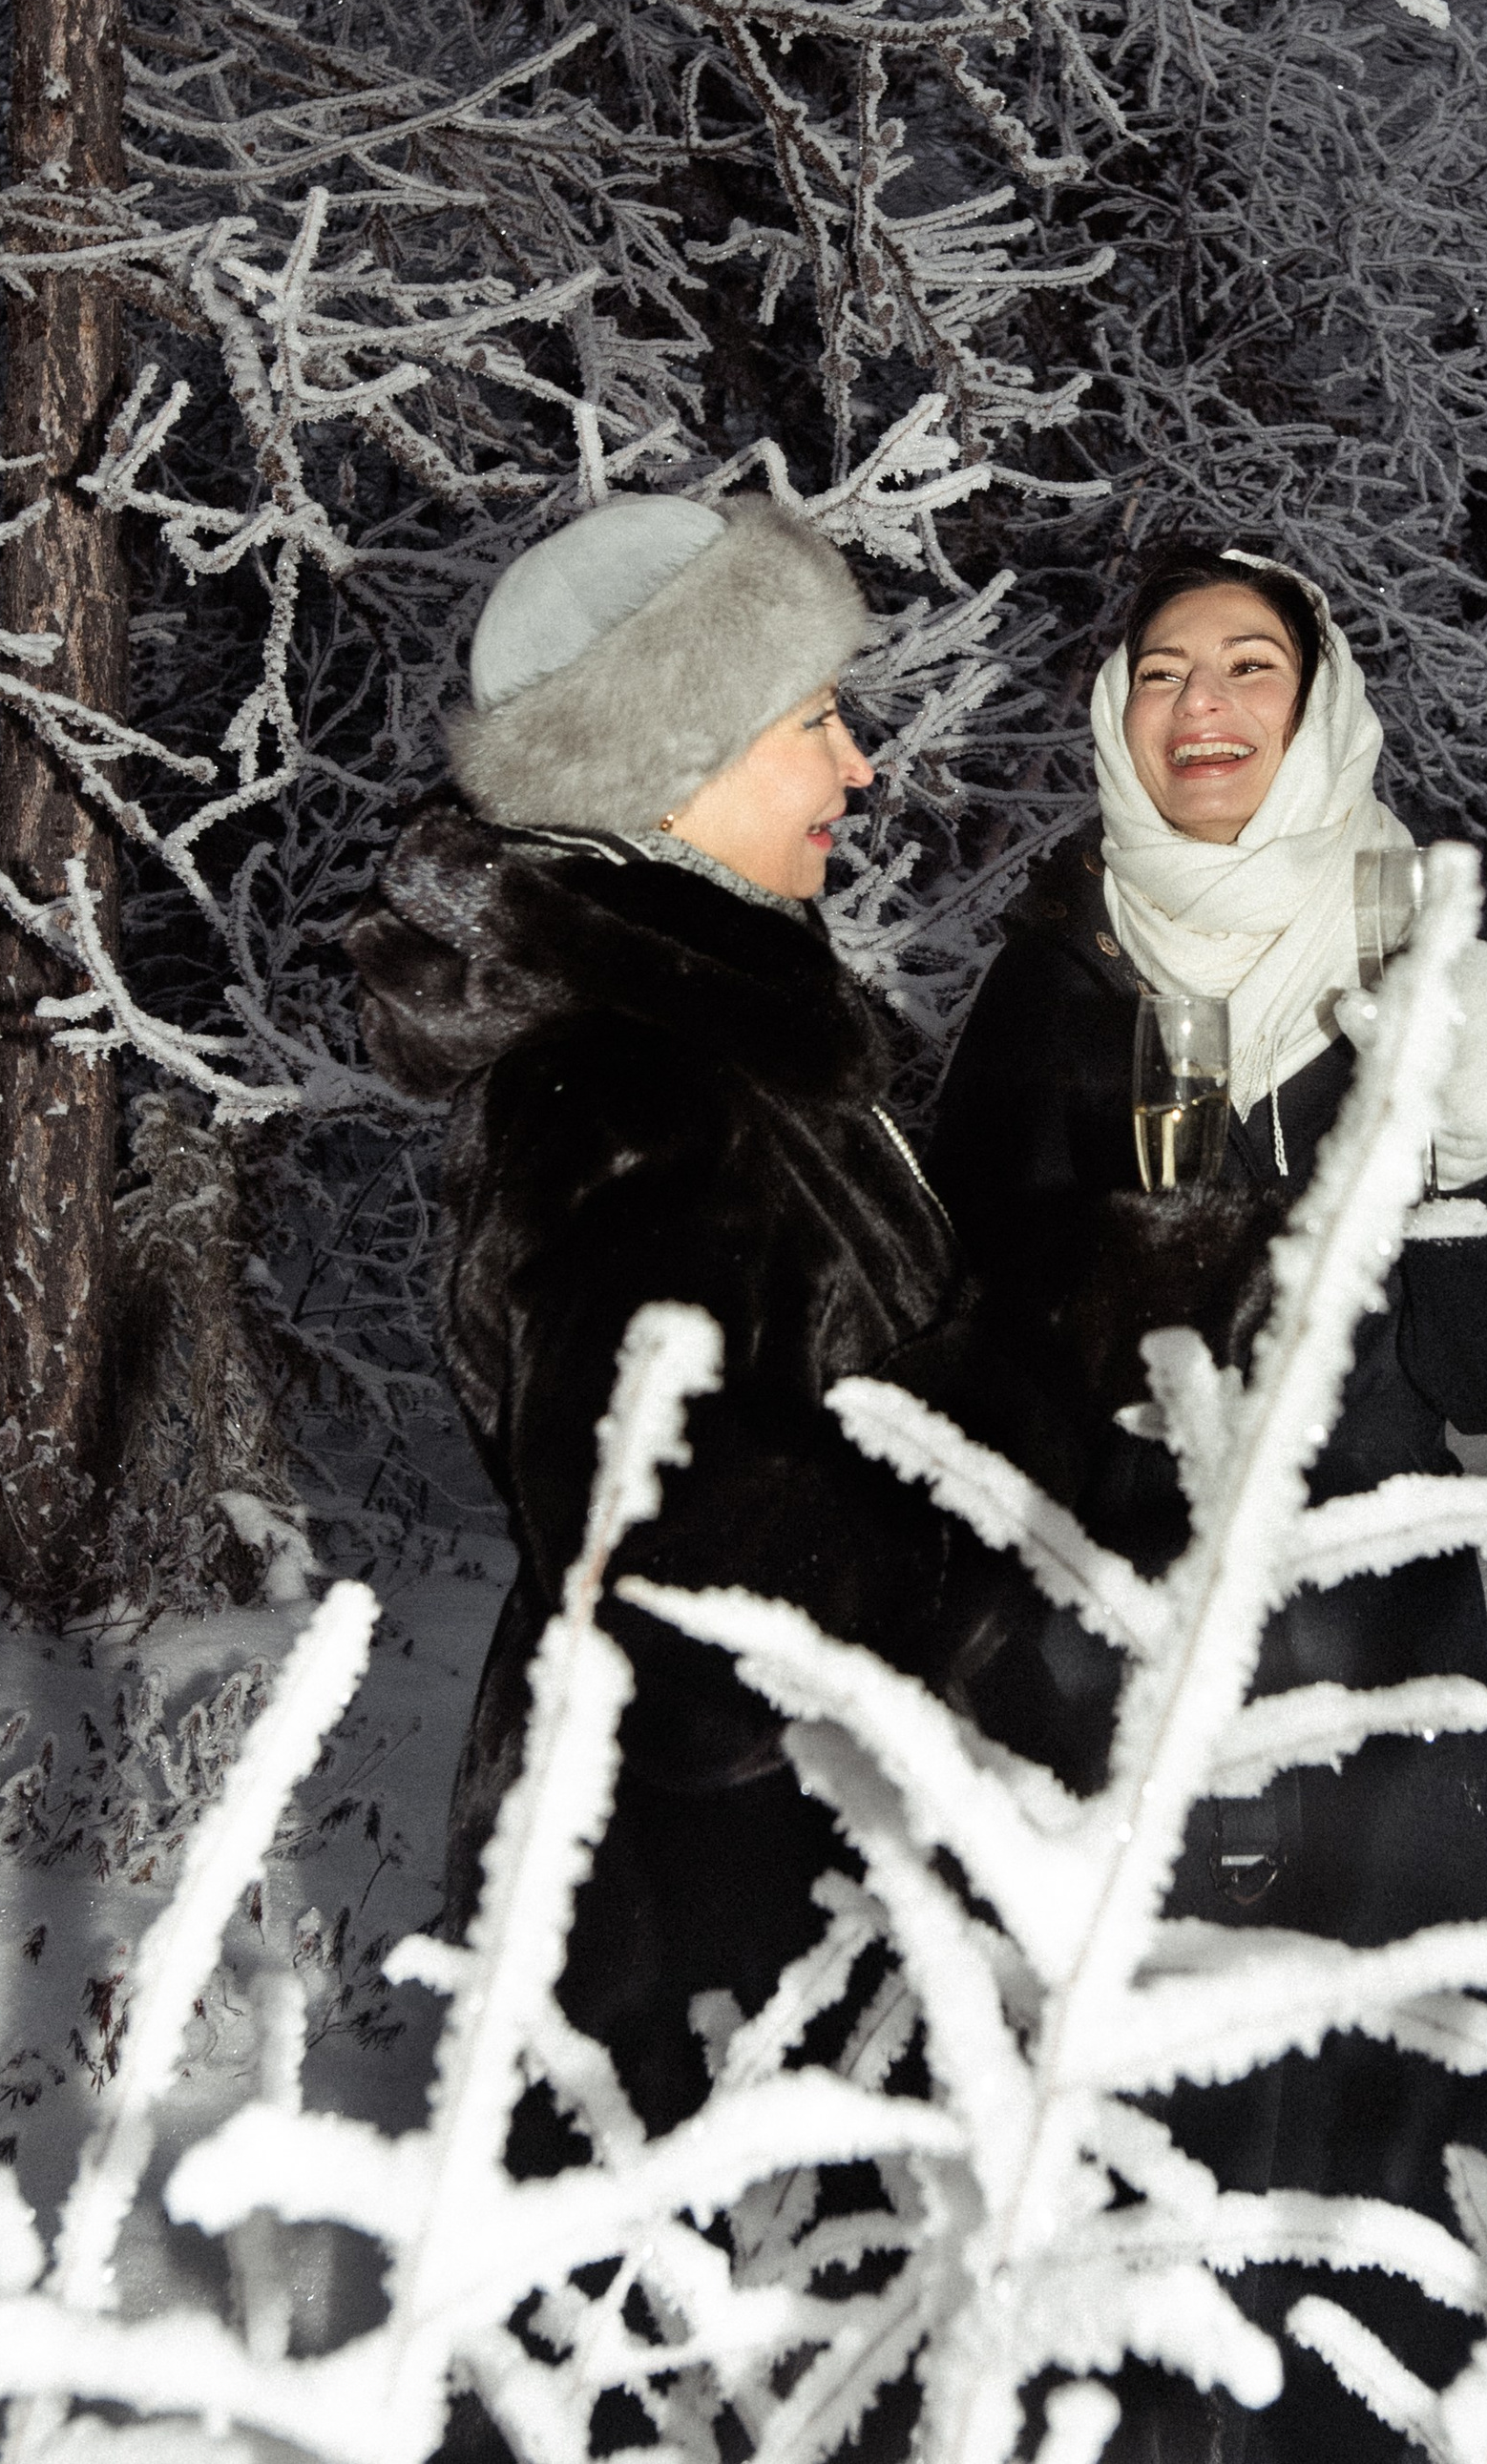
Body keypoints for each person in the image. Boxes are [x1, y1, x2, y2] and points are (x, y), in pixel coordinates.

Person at [932, 541, 1487, 2463]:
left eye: (1251, 665)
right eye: (1165, 670)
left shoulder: (1435, 946)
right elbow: (957, 1333)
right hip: (1098, 1670)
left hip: (1367, 1662)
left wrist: (1477, 1145)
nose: (1206, 707)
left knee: (1363, 2159)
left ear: (1316, 707)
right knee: (1116, 2157)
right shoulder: (1047, 975)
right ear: (1114, 711)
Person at [349, 491, 1030, 2151]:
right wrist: (1015, 1450)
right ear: (673, 759)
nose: (859, 767)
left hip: (771, 1896)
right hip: (709, 1956)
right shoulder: (632, 1089)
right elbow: (696, 1604)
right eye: (813, 723)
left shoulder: (728, 1049)